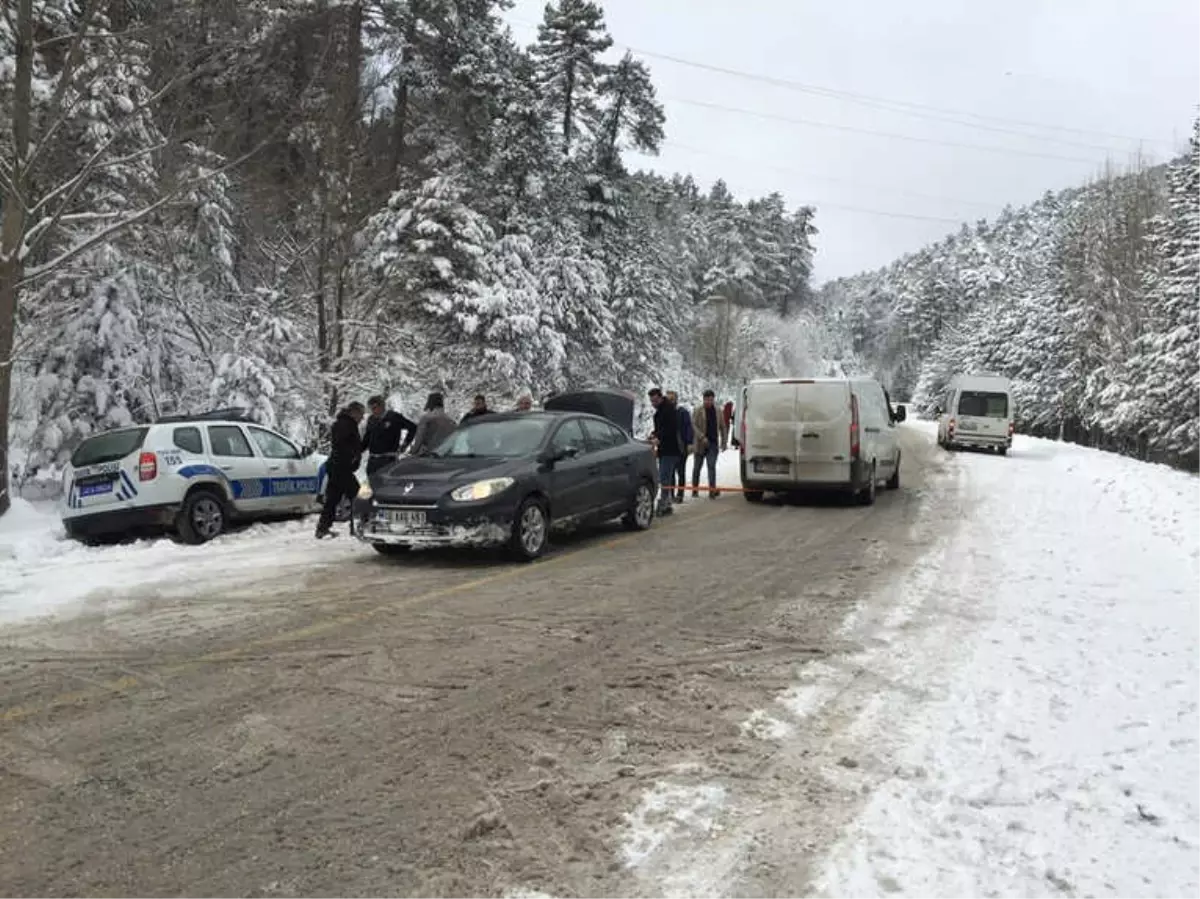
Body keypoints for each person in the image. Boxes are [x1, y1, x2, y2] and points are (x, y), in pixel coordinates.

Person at [316, 401, 365, 538]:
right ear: (354, 412)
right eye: (361, 414)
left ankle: (323, 527)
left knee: (333, 498)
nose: (362, 418)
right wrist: (352, 456)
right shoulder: (346, 424)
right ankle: (357, 526)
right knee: (358, 495)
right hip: (342, 467)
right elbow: (341, 443)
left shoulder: (343, 423)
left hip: (337, 466)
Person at [362, 394, 417, 475]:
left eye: (375, 408)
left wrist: (404, 445)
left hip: (388, 460)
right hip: (373, 460)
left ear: (382, 406)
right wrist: (357, 451)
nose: (373, 411)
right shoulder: (371, 419)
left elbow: (413, 427)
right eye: (371, 409)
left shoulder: (394, 417)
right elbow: (367, 439)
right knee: (371, 485)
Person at [648, 387, 680, 516]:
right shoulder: (660, 411)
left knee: (664, 477)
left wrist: (658, 437)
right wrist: (654, 434)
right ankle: (666, 503)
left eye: (655, 401)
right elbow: (660, 428)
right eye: (651, 401)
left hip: (670, 450)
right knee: (665, 477)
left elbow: (670, 429)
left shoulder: (668, 410)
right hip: (663, 449)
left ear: (661, 398)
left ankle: (664, 504)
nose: (653, 404)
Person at [692, 390, 729, 498]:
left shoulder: (718, 411)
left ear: (713, 399)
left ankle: (712, 490)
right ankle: (695, 489)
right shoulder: (698, 410)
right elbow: (693, 425)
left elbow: (723, 426)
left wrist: (724, 441)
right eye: (707, 400)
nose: (709, 402)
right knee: (697, 467)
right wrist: (701, 437)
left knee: (711, 466)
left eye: (711, 400)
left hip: (713, 443)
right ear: (703, 399)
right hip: (700, 443)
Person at [667, 390, 693, 503]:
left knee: (681, 471)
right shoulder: (666, 413)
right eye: (668, 399)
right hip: (670, 448)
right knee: (671, 473)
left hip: (681, 446)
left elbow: (688, 428)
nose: (670, 401)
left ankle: (680, 494)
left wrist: (689, 443)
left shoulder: (683, 412)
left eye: (672, 399)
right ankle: (671, 494)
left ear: (676, 400)